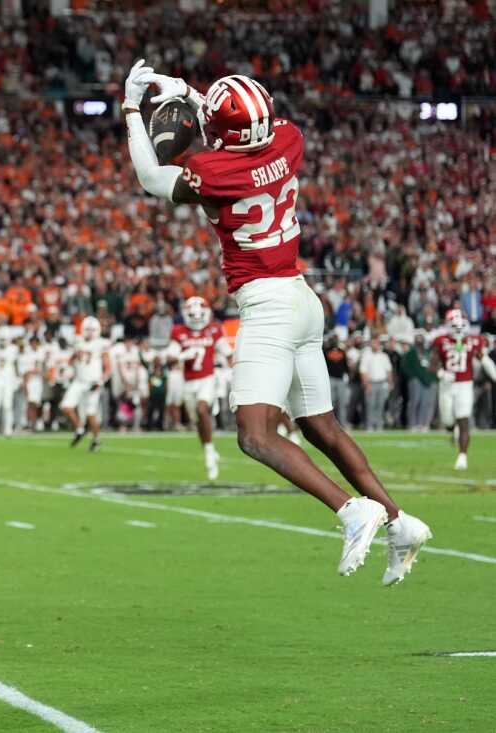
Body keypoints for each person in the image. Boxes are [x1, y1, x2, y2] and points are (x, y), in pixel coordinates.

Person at [124, 62, 431, 583]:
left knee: (255, 435)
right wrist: (192, 94)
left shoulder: (215, 172)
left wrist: (133, 108)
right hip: (300, 296)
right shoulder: (290, 139)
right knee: (320, 426)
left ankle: (351, 510)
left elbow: (153, 176)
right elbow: (242, 130)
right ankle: (400, 523)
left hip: (266, 304)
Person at [167, 297, 231, 480]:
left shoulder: (214, 330)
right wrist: (180, 356)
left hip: (208, 379)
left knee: (202, 410)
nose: (196, 318)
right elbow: (170, 359)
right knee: (198, 422)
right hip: (188, 382)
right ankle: (208, 448)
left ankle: (210, 454)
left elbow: (227, 352)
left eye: (199, 314)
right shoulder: (178, 332)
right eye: (192, 314)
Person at [430, 308, 496, 470]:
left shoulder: (473, 341)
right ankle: (453, 430)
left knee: (463, 418)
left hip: (465, 384)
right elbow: (433, 364)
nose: (458, 329)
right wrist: (441, 373)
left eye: (461, 325)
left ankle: (462, 456)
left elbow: (484, 360)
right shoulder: (441, 341)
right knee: (447, 421)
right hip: (446, 385)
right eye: (454, 325)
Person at [61, 316, 110, 452]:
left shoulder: (101, 344)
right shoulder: (79, 343)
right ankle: (80, 429)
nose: (89, 332)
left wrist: (100, 382)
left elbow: (108, 368)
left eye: (92, 330)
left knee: (90, 413)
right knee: (66, 406)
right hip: (79, 380)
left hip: (93, 383)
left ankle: (97, 440)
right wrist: (66, 367)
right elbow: (72, 359)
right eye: (87, 329)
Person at [401, 332, 437, 431]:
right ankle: (412, 424)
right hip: (416, 380)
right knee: (414, 402)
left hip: (427, 380)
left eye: (421, 339)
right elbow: (405, 367)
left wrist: (429, 376)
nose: (420, 341)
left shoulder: (428, 352)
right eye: (418, 339)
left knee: (425, 403)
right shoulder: (411, 352)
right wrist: (413, 376)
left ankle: (423, 424)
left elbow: (433, 365)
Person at [359, 337, 393, 430]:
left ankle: (379, 425)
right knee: (370, 404)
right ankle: (370, 425)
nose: (375, 345)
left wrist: (390, 383)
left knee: (380, 405)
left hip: (382, 382)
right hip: (371, 383)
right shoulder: (367, 355)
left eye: (376, 343)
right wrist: (366, 384)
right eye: (373, 343)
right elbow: (363, 371)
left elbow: (389, 370)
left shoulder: (384, 356)